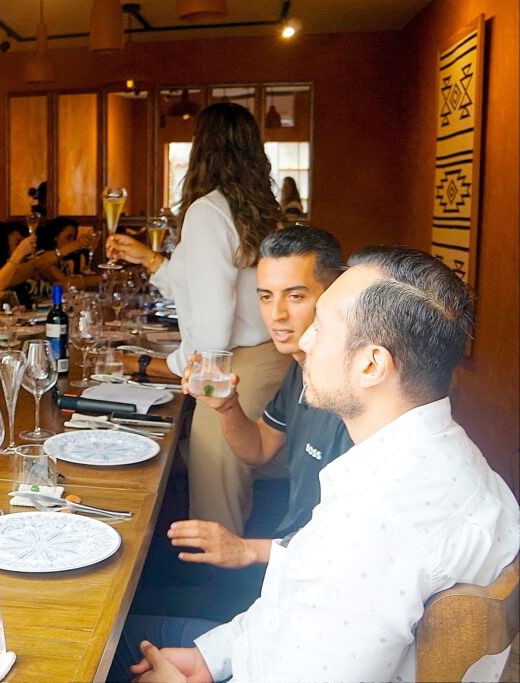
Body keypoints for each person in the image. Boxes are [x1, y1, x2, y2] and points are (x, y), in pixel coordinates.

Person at [120, 247, 520, 683]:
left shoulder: (370, 524)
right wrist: (211, 658)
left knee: (104, 640)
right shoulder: (453, 455)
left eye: (323, 328)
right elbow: (291, 609)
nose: (305, 340)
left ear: (371, 364)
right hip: (254, 652)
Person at [107, 102, 289, 535]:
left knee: (216, 492)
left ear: (201, 151)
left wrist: (167, 369)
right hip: (268, 359)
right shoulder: (259, 210)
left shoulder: (208, 211)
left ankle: (217, 586)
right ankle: (227, 579)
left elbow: (212, 320)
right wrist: (152, 261)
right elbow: (209, 285)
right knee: (229, 478)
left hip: (233, 362)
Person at [169, 226, 352, 569]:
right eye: (266, 296)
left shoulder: (353, 397)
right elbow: (258, 450)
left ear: (335, 292)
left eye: (295, 296)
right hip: (284, 563)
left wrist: (247, 550)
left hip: (312, 580)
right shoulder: (300, 368)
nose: (276, 314)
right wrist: (226, 407)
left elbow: (352, 546)